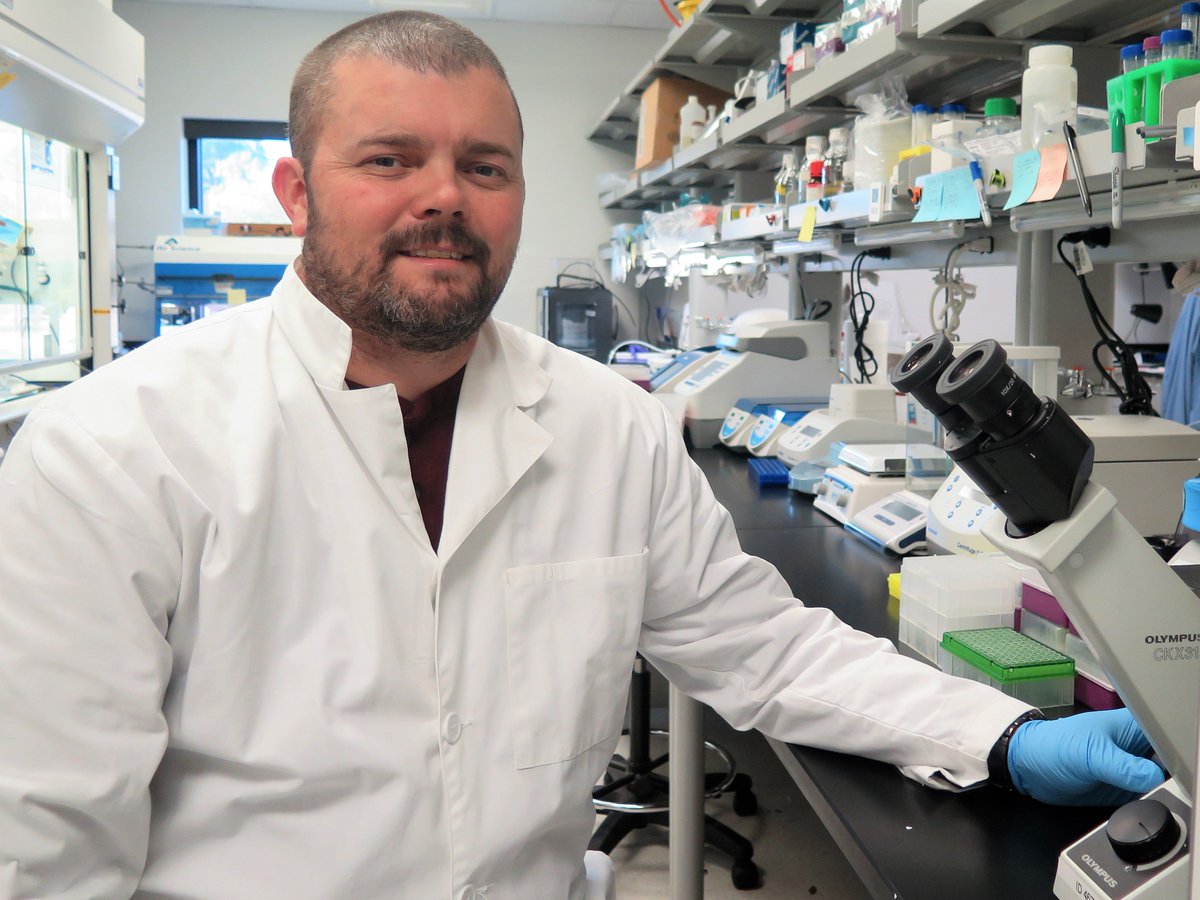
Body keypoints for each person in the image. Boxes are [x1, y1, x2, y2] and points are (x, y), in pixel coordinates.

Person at [0, 12, 1164, 900]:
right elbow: (47, 843)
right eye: (390, 160)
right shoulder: (110, 452)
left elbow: (761, 649)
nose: (443, 200)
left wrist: (1001, 733)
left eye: (485, 167)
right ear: (296, 191)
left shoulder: (606, 425)